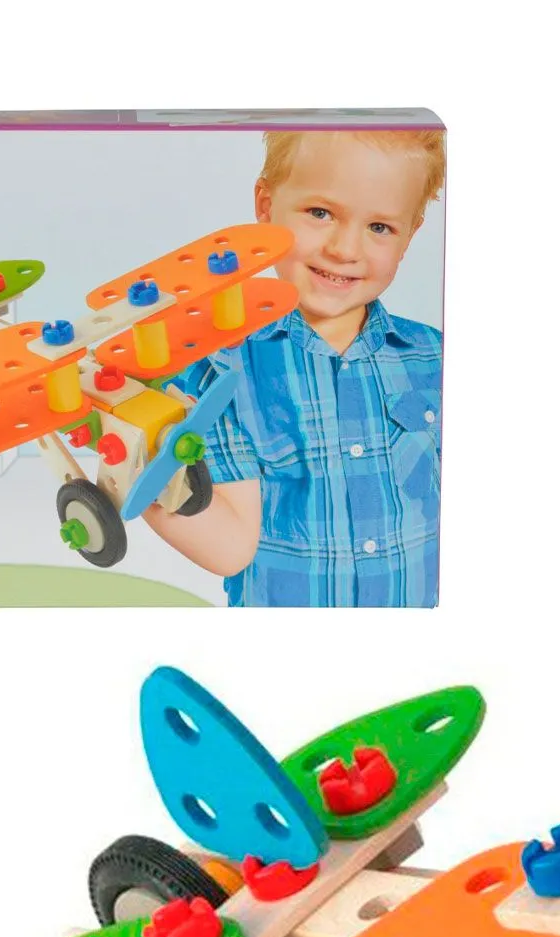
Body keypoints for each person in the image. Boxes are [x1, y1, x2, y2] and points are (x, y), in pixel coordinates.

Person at [146, 129, 444, 606]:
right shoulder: (223, 368)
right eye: (320, 213)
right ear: (266, 206)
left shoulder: (435, 356)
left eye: (379, 227)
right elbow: (229, 547)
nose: (345, 249)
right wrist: (141, 472)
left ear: (410, 235)